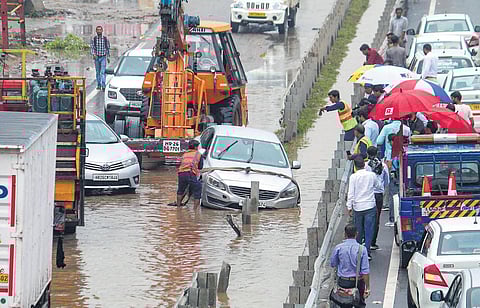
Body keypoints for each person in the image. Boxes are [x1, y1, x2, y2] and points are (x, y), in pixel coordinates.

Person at [347, 156, 381, 259]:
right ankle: (367, 252)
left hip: (358, 207)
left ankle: (358, 252)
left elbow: (351, 193)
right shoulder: (371, 175)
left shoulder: (353, 177)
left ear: (355, 166)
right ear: (364, 165)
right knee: (369, 230)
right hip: (370, 206)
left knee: (359, 230)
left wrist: (349, 206)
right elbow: (378, 186)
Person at [330, 224, 370, 308]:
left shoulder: (338, 248)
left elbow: (333, 263)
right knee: (360, 304)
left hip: (343, 281)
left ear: (345, 234)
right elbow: (365, 271)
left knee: (344, 303)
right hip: (358, 282)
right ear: (356, 234)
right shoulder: (362, 249)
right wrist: (368, 287)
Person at [366, 146, 389, 251]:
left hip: (368, 194)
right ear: (377, 153)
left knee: (367, 217)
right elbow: (387, 180)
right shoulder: (383, 165)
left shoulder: (366, 166)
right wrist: (381, 188)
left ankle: (365, 240)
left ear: (367, 154)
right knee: (376, 218)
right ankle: (373, 242)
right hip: (378, 195)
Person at [177, 140, 204, 208]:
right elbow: (200, 167)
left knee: (180, 190)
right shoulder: (198, 154)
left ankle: (178, 207)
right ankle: (195, 211)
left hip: (181, 174)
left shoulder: (185, 154)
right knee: (198, 190)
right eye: (197, 146)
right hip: (190, 173)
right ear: (195, 147)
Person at [90, 26, 110, 91]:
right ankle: (99, 85)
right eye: (97, 30)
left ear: (102, 31)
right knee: (98, 72)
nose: (99, 31)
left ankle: (103, 85)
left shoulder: (105, 39)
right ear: (96, 31)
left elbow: (107, 47)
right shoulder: (94, 39)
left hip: (103, 57)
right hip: (97, 57)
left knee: (102, 72)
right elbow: (92, 48)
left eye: (100, 30)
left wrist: (108, 57)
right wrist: (93, 54)